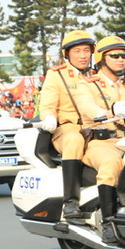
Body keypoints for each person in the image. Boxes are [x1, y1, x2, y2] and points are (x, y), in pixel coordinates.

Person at [73, 36, 125, 245]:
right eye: (114, 55)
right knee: (111, 164)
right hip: (102, 142)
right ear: (101, 59)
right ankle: (108, 222)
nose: (120, 60)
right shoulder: (87, 85)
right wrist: (105, 113)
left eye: (124, 55)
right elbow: (87, 107)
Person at [36, 30, 97, 222]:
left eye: (86, 50)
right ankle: (70, 201)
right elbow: (47, 104)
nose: (83, 55)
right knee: (74, 139)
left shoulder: (97, 75)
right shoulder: (57, 75)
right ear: (67, 54)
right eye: (77, 51)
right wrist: (49, 118)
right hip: (67, 128)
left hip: (96, 129)